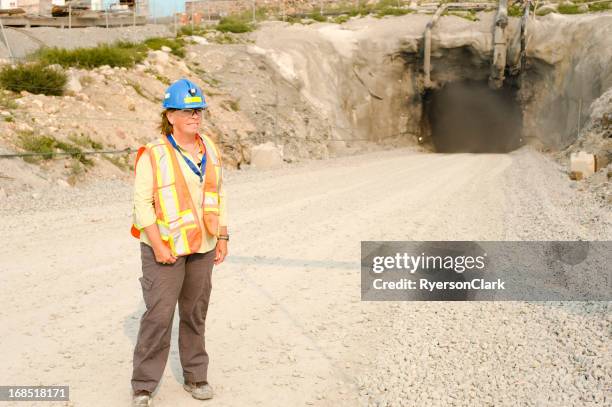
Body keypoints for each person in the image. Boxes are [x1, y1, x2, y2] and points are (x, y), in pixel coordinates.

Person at [129, 78, 229, 407]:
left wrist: (223, 235)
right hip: (166, 248)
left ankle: (196, 376)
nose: (195, 116)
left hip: (203, 246)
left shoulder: (210, 148)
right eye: (187, 111)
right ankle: (144, 385)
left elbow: (219, 194)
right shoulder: (153, 154)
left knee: (195, 313)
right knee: (158, 316)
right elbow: (141, 205)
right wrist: (157, 245)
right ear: (170, 115)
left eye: (198, 110)